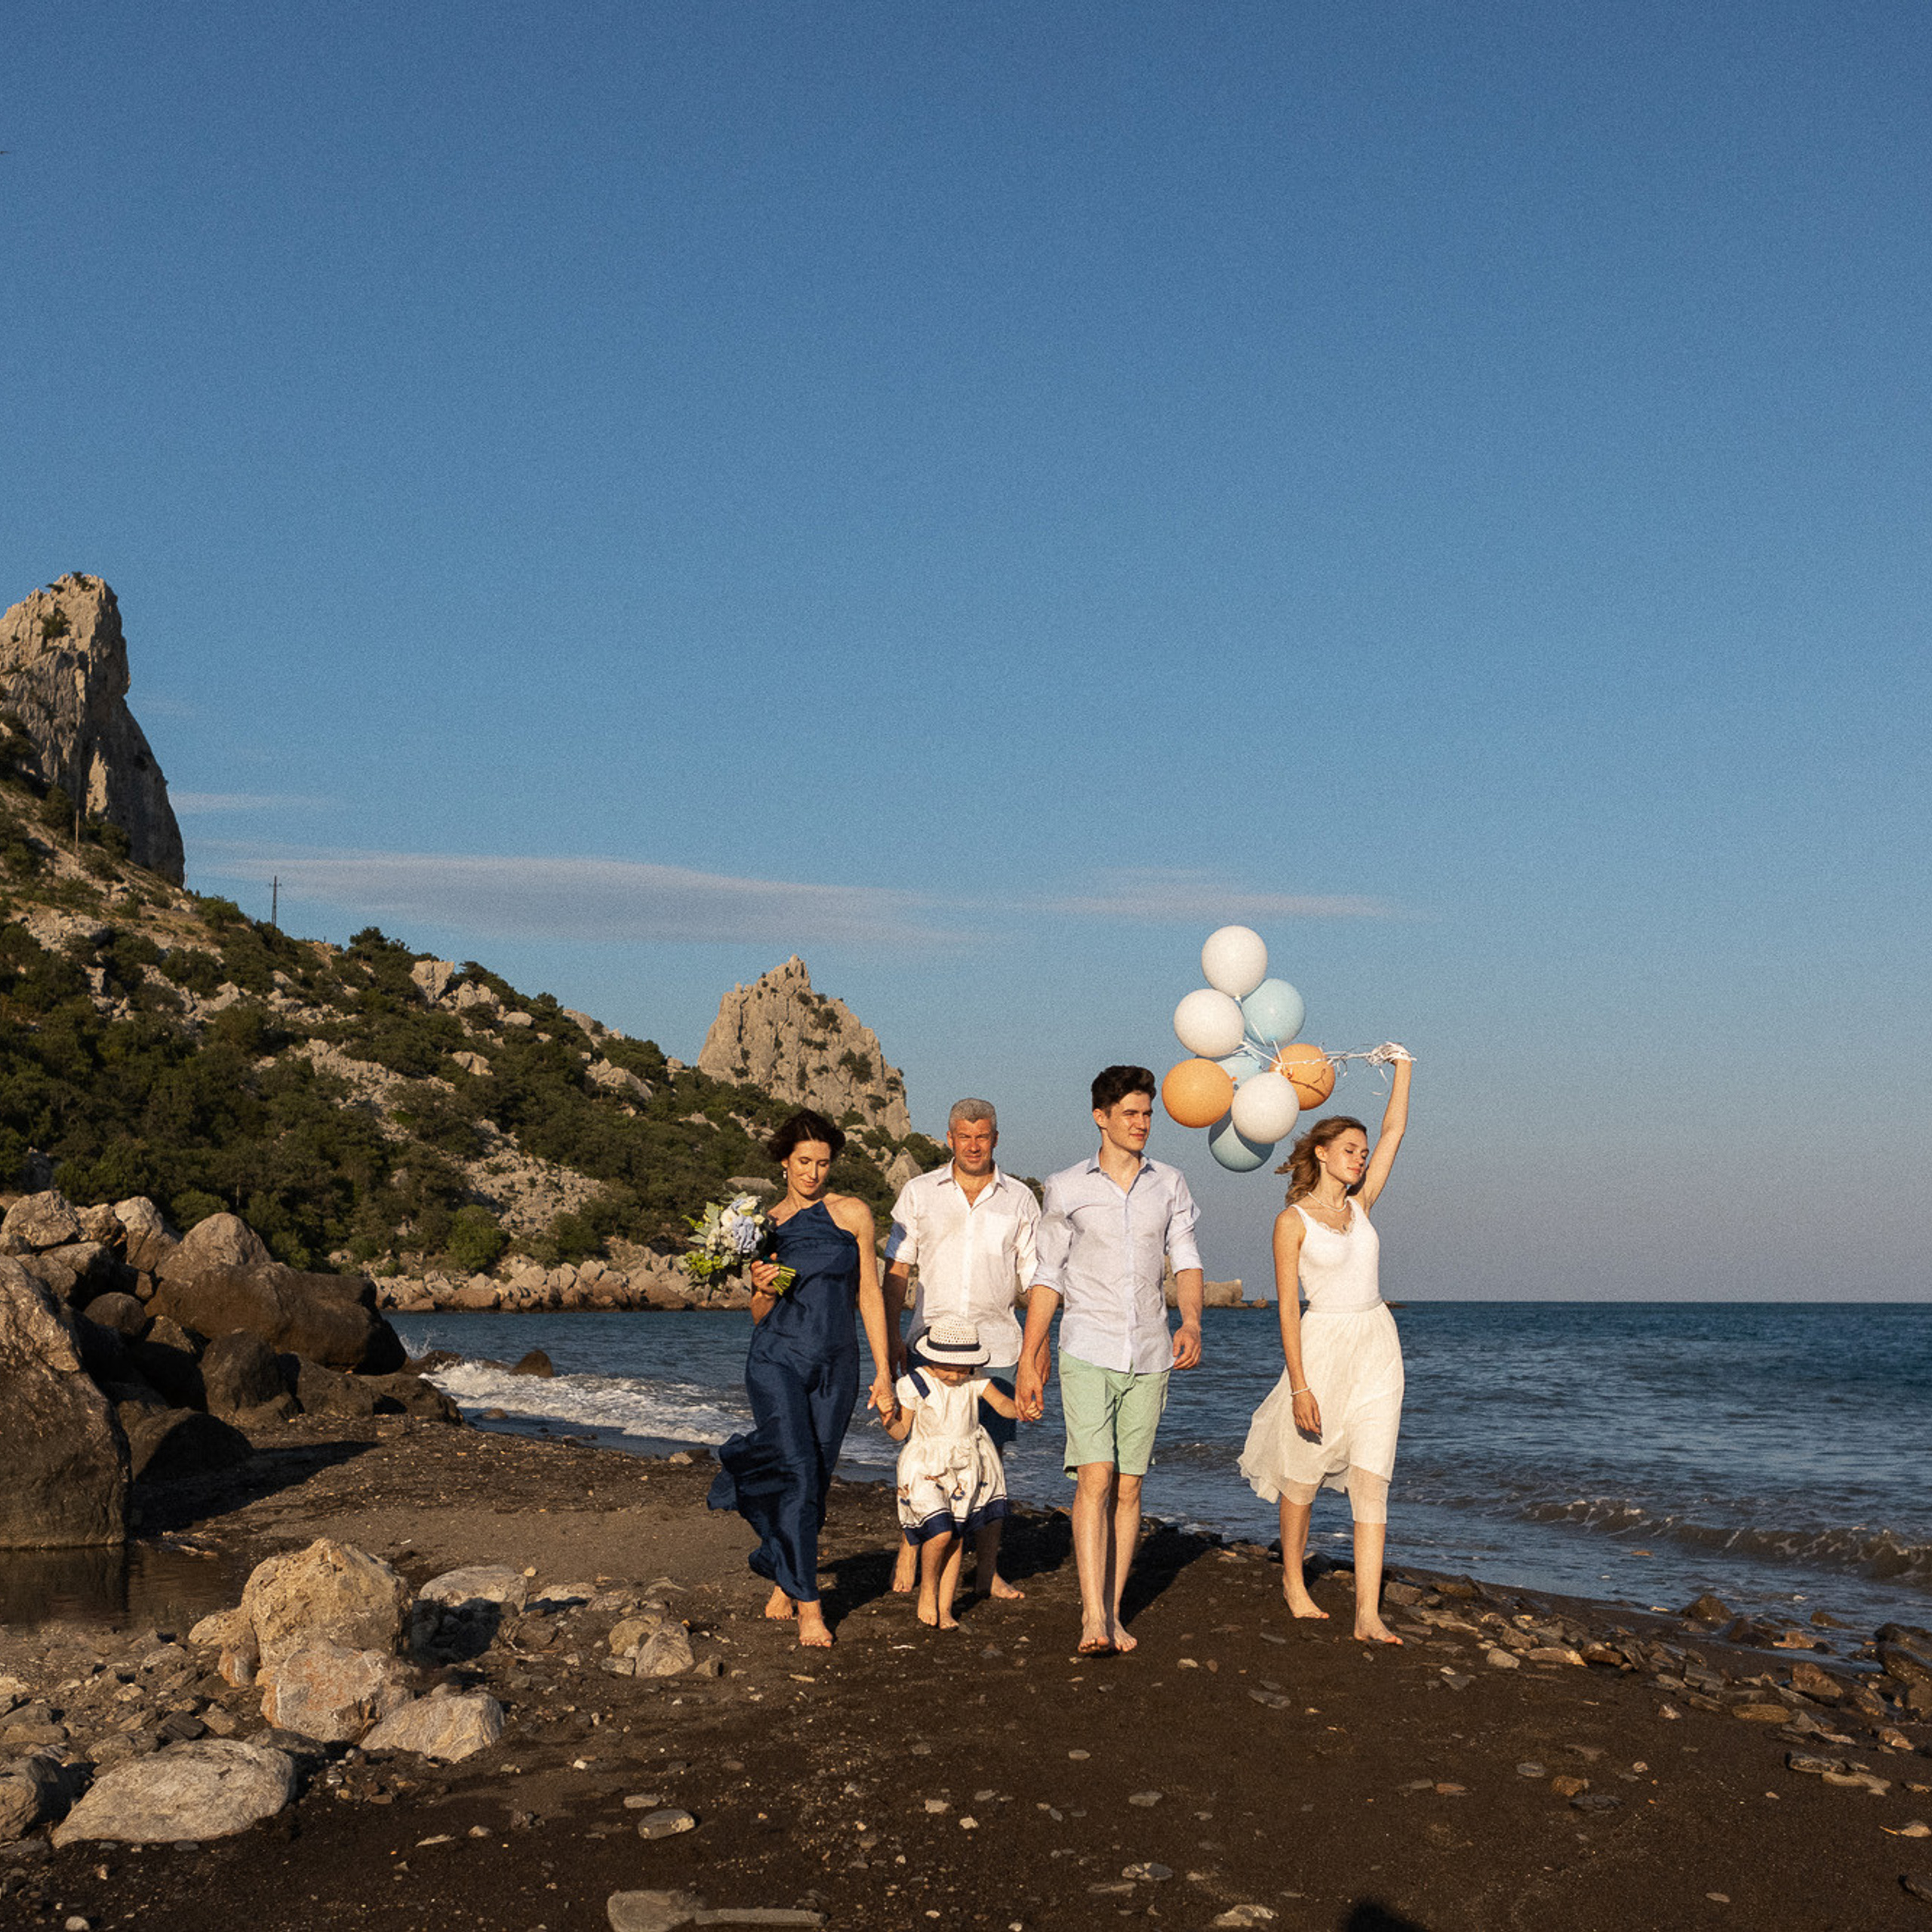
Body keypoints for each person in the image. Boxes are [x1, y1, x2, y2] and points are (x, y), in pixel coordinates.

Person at [1017, 1065, 1204, 1657]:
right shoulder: (1067, 1186)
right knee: (1095, 1476)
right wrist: (1029, 1357)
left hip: (1149, 1349)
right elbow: (1048, 1276)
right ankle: (1092, 1616)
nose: (1142, 1123)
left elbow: (1187, 1258)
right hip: (1086, 1348)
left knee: (1129, 1485)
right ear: (1101, 1117)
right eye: (1130, 1113)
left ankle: (1116, 1612)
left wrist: (1193, 1319)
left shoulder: (1170, 1183)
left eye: (1147, 1114)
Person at [1238, 1047, 1414, 1644]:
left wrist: (1404, 1068)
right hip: (1322, 1348)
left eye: (1363, 1154)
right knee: (1303, 1475)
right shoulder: (1293, 1222)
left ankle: (1368, 1614)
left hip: (1377, 1348)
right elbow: (1289, 1307)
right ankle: (1293, 1580)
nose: (1361, 1160)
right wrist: (1301, 1385)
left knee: (1372, 1476)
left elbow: (1395, 1130)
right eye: (1349, 1150)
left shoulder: (1362, 1208)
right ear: (1321, 1152)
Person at [707, 1108, 897, 1648]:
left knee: (814, 1477)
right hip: (777, 1361)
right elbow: (760, 1314)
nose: (814, 1173)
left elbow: (868, 1295)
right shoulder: (764, 1227)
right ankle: (811, 1606)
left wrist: (883, 1372)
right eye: (804, 1162)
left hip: (837, 1364)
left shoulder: (854, 1214)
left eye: (823, 1162)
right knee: (796, 1472)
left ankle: (783, 1567)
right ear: (784, 1164)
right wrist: (763, 1287)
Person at [882, 1098, 1040, 1602]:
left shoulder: (1020, 1199)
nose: (974, 1145)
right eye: (964, 1136)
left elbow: (1037, 1283)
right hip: (930, 1347)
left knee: (988, 1463)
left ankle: (989, 1571)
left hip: (997, 1348)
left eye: (983, 1136)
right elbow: (897, 1272)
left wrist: (1039, 1353)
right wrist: (889, 1342)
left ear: (996, 1138)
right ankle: (913, 1546)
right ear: (949, 1138)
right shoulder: (919, 1192)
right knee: (922, 1452)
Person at [881, 1317, 1019, 1630]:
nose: (957, 1375)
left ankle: (945, 1609)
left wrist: (1022, 1407)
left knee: (956, 1535)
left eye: (963, 1368)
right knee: (940, 1531)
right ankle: (928, 1590)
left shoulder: (975, 1379)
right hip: (925, 1466)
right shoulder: (914, 1384)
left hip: (966, 1464)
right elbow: (900, 1429)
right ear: (931, 1357)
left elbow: (1002, 1405)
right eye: (950, 1368)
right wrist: (887, 1415)